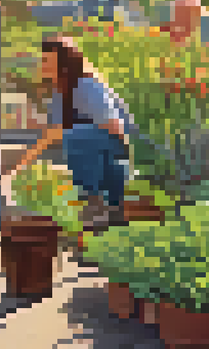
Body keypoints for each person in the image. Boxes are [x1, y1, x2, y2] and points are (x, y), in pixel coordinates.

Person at [8, 37, 137, 230]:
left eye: (46, 61)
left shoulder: (85, 85)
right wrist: (21, 163)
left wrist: (128, 154)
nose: (41, 65)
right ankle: (107, 210)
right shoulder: (60, 92)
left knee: (74, 138)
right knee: (75, 138)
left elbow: (114, 124)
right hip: (99, 144)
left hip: (119, 139)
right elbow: (53, 132)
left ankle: (92, 201)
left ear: (63, 64)